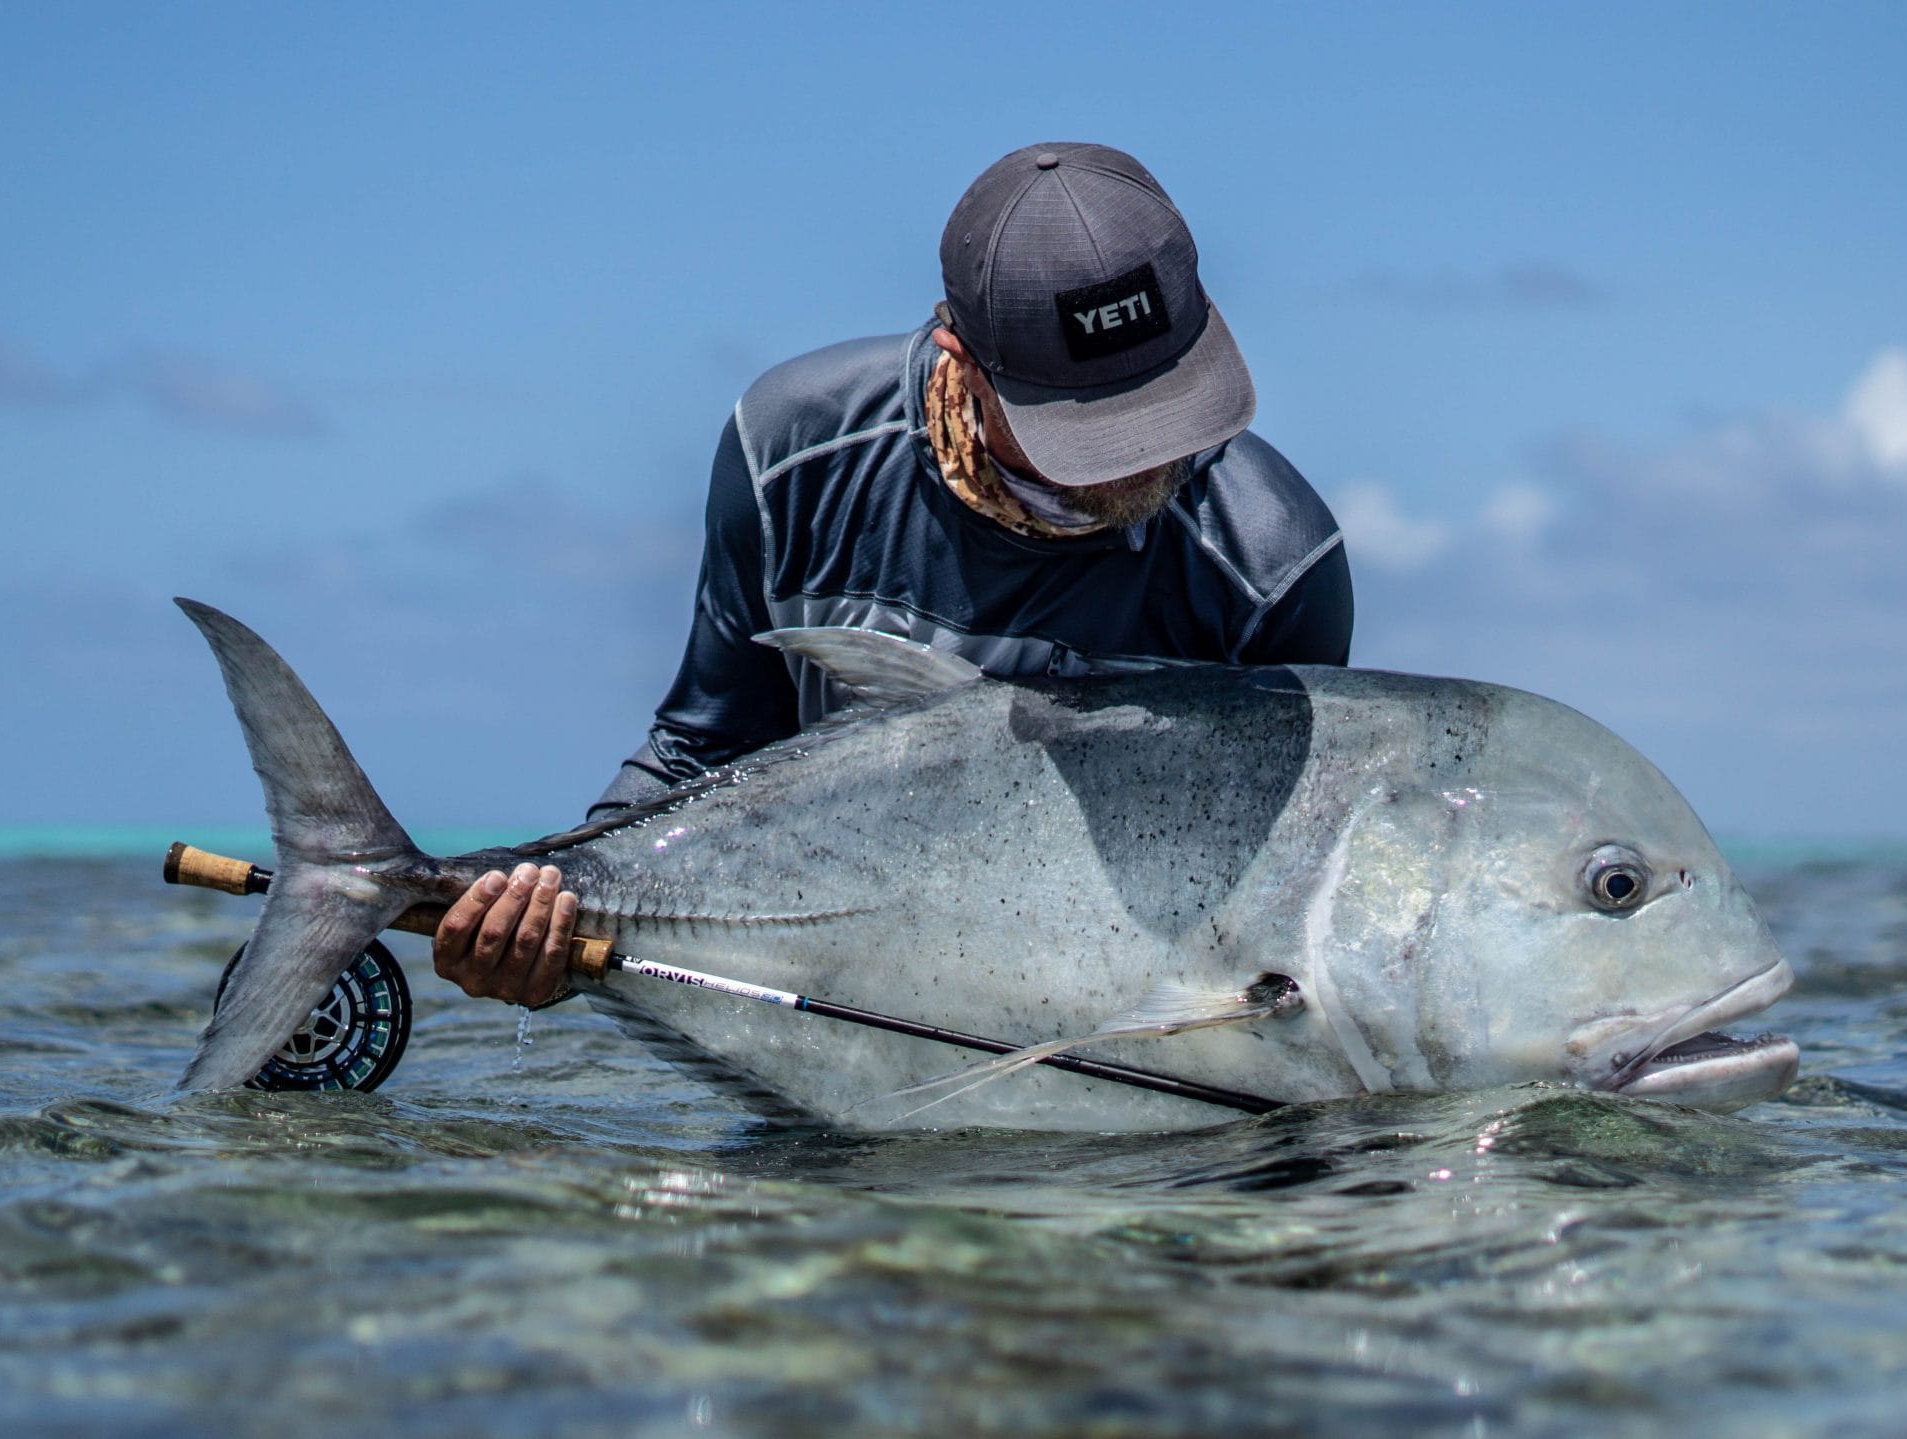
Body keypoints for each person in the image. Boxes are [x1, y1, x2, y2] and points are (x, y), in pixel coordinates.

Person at [434, 142, 1355, 1009]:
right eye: (1097, 427)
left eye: (1166, 398)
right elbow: (702, 753)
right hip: (833, 1029)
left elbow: (1277, 904)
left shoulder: (1274, 563)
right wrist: (551, 912)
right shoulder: (792, 451)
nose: (1153, 457)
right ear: (965, 365)